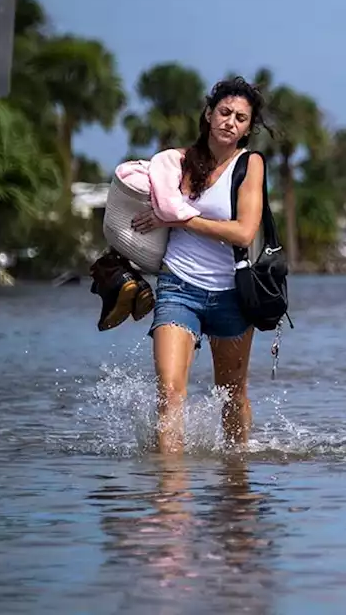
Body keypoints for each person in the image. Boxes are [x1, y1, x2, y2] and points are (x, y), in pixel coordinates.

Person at [130, 77, 271, 453]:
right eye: (224, 112)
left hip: (232, 293)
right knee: (170, 392)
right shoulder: (177, 162)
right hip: (178, 286)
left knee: (232, 394)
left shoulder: (250, 164)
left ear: (248, 127)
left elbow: (243, 232)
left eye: (241, 118)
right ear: (209, 114)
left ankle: (236, 474)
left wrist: (177, 218)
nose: (231, 122)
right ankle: (171, 496)